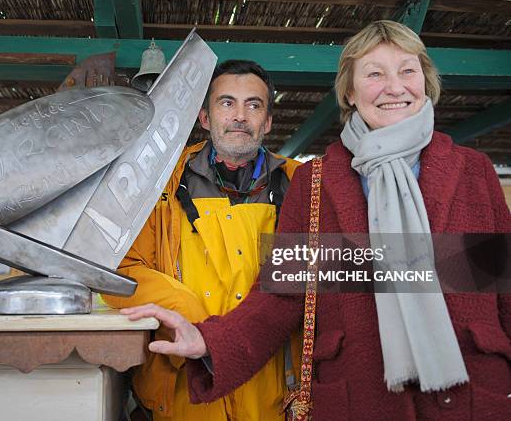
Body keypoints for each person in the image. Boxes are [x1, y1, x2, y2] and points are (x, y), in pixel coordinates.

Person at [122, 21, 511, 421]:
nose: (395, 87)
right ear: (349, 91)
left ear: (425, 81)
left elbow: (503, 287)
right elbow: (281, 298)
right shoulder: (316, 183)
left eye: (407, 70)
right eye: (375, 73)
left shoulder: (473, 172)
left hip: (472, 397)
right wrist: (209, 340)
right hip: (359, 398)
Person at [104, 60, 301, 420]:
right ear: (205, 117)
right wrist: (195, 322)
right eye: (227, 103)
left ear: (268, 121)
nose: (239, 116)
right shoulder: (160, 180)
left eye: (253, 105)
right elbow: (120, 272)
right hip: (182, 388)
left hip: (272, 392)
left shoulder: (301, 185)